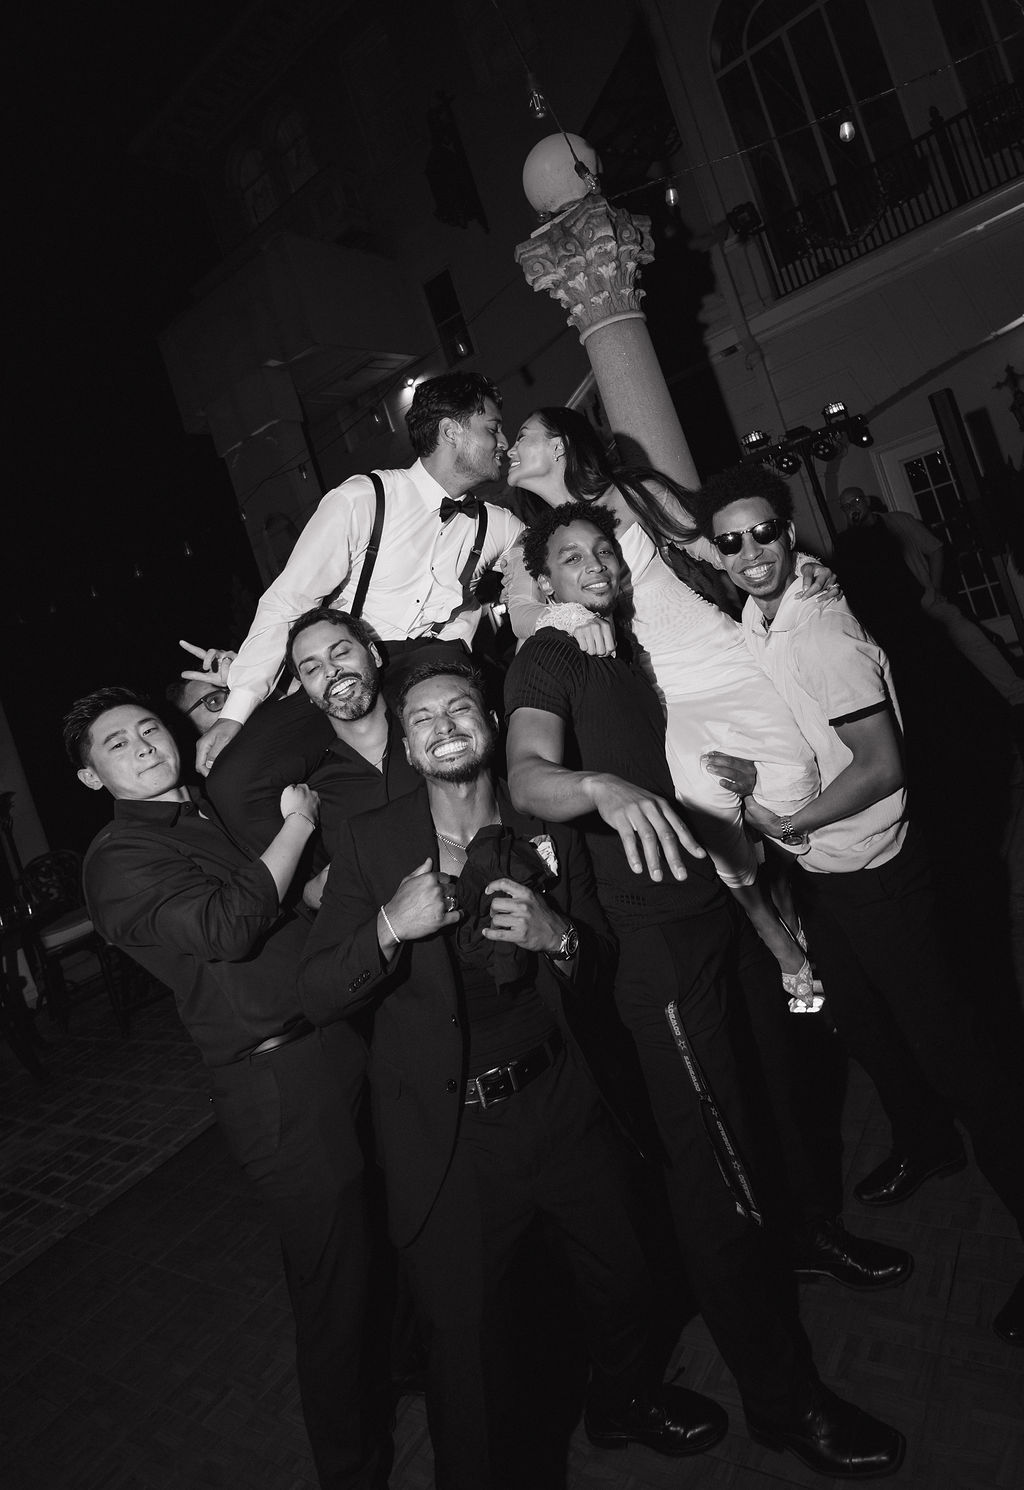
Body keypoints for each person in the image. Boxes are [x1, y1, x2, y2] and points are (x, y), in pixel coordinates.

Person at [503, 503, 906, 1477]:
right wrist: (600, 790)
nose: (596, 562)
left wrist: (712, 788)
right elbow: (525, 775)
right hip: (657, 961)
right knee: (715, 1179)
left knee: (775, 1108)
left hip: (718, 917)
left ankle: (805, 1244)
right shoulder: (545, 660)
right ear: (546, 581)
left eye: (603, 548)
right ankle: (783, 1401)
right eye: (570, 556)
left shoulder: (627, 654)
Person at [299, 661, 729, 1489]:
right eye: (422, 717)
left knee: (627, 1279)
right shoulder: (369, 843)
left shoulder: (552, 828)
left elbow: (598, 965)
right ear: (410, 746)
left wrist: (556, 935)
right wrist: (390, 924)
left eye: (460, 707)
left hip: (562, 1100)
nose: (443, 723)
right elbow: (317, 993)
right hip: (452, 1132)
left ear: (491, 726)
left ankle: (623, 1401)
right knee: (468, 1357)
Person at [694, 464, 1024, 1349]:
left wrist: (788, 823)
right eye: (732, 541)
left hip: (876, 875)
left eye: (764, 533)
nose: (751, 551)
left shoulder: (820, 633)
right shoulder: (762, 615)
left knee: (964, 1061)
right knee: (858, 1023)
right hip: (829, 879)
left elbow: (881, 766)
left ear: (789, 531)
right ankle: (925, 1140)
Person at [64, 688, 384, 1489]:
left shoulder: (204, 812)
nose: (140, 747)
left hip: (333, 1045)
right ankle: (353, 1471)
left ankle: (399, 1374)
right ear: (90, 777)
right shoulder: (116, 858)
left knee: (378, 1243)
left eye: (147, 730)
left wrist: (306, 893)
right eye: (115, 746)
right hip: (276, 1084)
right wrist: (300, 823)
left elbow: (263, 909)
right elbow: (226, 927)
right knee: (332, 1294)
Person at [502, 406, 825, 1001]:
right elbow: (522, 612)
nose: (508, 443)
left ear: (558, 448)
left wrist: (796, 567)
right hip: (662, 691)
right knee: (705, 809)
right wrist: (570, 615)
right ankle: (770, 928)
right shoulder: (535, 544)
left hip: (721, 656)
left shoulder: (635, 493)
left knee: (796, 780)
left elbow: (715, 546)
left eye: (522, 435)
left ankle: (791, 894)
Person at [190, 371, 524, 784]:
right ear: (451, 431)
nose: (505, 442)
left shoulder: (499, 526)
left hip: (428, 670)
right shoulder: (363, 499)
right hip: (349, 671)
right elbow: (289, 602)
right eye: (493, 428)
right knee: (233, 781)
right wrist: (235, 712)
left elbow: (545, 574)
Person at [837, 485, 1024, 712]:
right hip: (893, 619)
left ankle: (1016, 693)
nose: (852, 508)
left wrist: (934, 587)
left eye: (856, 501)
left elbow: (936, 548)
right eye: (846, 506)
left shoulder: (898, 523)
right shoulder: (850, 544)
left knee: (972, 640)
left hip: (926, 603)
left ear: (867, 500)